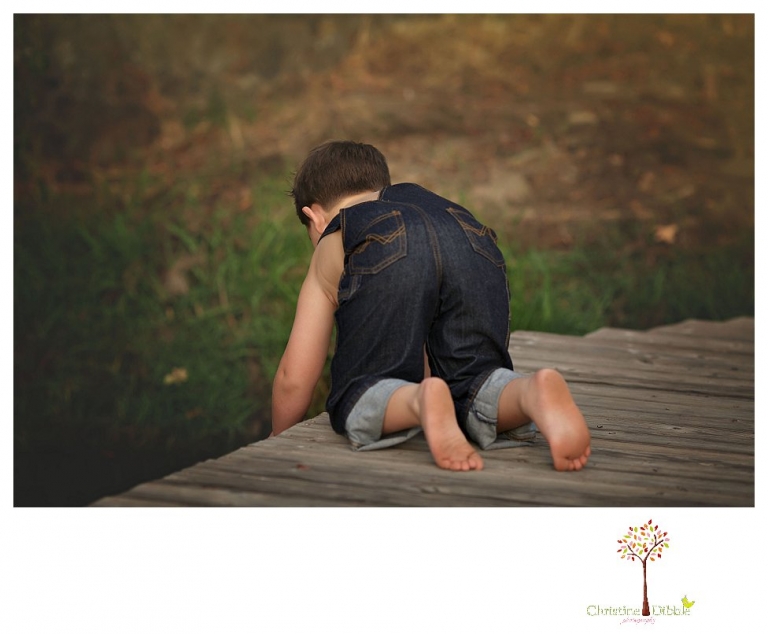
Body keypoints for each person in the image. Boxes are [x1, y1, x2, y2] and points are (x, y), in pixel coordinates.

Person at [271, 140, 591, 472]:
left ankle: (419, 400)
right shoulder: (425, 204)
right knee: (472, 383)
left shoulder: (336, 234)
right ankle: (528, 392)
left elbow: (293, 377)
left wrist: (276, 438)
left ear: (315, 217)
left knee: (359, 392)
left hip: (390, 245)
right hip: (471, 240)